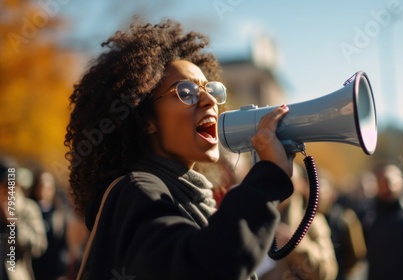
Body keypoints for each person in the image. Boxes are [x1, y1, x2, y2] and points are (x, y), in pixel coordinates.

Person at [65, 19, 295, 280]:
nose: (209, 101)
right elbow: (200, 268)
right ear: (146, 119)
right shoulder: (136, 190)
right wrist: (267, 179)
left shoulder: (188, 198)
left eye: (211, 90)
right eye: (186, 92)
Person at [258, 163, 338, 280]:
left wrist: (295, 243)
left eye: (287, 180)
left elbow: (327, 272)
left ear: (301, 185)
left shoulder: (313, 222)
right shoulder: (255, 217)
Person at [0, 156, 47, 280]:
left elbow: (39, 245)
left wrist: (13, 224)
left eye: (10, 185)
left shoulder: (28, 208)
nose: (7, 190)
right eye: (3, 185)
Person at [320, 169, 366, 280]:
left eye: (320, 191)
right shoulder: (304, 219)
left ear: (332, 193)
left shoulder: (346, 218)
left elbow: (357, 253)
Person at [30, 170, 70, 280]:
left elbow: (63, 245)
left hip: (54, 271)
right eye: (41, 185)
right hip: (33, 270)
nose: (44, 190)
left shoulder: (59, 214)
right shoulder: (29, 210)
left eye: (48, 187)